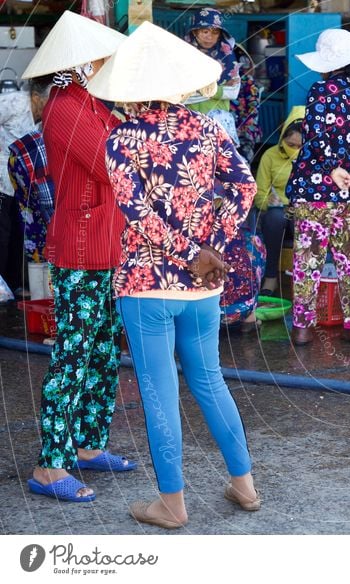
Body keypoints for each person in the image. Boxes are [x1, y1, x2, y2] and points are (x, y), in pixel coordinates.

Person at [88, 21, 260, 528]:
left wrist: (190, 252)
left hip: (146, 284)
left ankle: (172, 504)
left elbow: (138, 214)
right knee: (210, 381)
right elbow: (244, 187)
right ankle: (244, 486)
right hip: (202, 285)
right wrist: (213, 248)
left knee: (159, 390)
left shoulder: (122, 139)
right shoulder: (208, 129)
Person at [20, 11, 132, 503]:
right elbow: (115, 164)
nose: (110, 60)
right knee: (74, 355)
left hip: (108, 244)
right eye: (103, 54)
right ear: (84, 62)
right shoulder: (67, 106)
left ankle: (87, 446)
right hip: (83, 248)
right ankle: (51, 463)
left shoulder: (91, 101)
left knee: (103, 351)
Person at [286, 28, 350, 346]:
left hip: (316, 191)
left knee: (309, 258)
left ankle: (303, 328)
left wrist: (334, 169)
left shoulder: (321, 90)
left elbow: (315, 136)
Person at [253, 106, 304, 297]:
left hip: (305, 209)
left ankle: (303, 279)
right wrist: (269, 200)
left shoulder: (315, 158)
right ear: (282, 138)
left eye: (300, 147)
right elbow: (259, 193)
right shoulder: (270, 156)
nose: (295, 150)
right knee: (276, 218)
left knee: (304, 222)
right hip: (278, 210)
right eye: (291, 144)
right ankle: (271, 276)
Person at [8, 75, 56, 274]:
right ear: (37, 98)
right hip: (15, 174)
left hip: (34, 174)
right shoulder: (13, 103)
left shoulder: (28, 144)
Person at [0, 70, 42, 296]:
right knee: (2, 235)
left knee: (19, 235)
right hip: (2, 181)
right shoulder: (15, 102)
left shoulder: (43, 119)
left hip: (22, 185)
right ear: (36, 97)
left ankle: (14, 285)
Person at [184, 7, 241, 146]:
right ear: (195, 32)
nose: (210, 36)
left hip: (219, 125)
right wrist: (219, 90)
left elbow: (233, 92)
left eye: (215, 32)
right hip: (188, 123)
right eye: (205, 31)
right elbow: (182, 95)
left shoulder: (227, 56)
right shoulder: (184, 56)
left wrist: (199, 89)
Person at [230, 44, 263, 161]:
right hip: (223, 129)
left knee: (242, 162)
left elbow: (253, 107)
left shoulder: (247, 81)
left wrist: (241, 129)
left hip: (244, 129)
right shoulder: (216, 82)